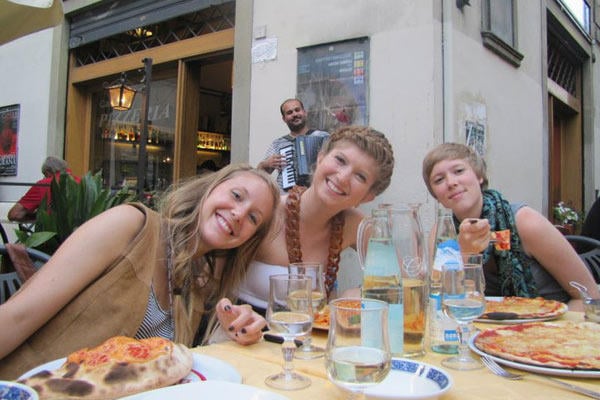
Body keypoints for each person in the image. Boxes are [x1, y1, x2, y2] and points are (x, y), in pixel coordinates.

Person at [0, 164, 280, 379]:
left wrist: (228, 332)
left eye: (253, 217)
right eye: (236, 195)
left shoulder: (198, 279)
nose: (239, 214)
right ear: (210, 188)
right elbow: (18, 316)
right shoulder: (130, 225)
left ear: (249, 239)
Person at [422, 143, 599, 311]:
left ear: (479, 176)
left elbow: (589, 297)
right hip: (486, 332)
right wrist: (464, 253)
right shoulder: (442, 235)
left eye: (459, 171)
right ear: (436, 196)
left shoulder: (525, 222)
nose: (451, 182)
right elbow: (441, 301)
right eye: (439, 180)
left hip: (551, 329)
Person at [239, 125, 395, 312]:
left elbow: (397, 280)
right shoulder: (268, 210)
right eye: (340, 160)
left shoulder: (355, 225)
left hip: (308, 335)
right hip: (236, 332)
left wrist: (359, 292)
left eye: (360, 176)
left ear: (367, 197)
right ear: (320, 158)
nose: (343, 177)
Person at [257, 98, 329, 192]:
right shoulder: (278, 143)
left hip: (316, 194)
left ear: (304, 112)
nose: (295, 114)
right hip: (287, 197)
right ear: (284, 119)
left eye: (297, 110)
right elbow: (259, 175)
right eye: (289, 112)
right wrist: (265, 164)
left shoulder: (323, 137)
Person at [7, 156, 80, 222]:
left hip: (54, 233)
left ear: (48, 172)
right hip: (82, 232)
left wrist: (40, 216)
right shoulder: (81, 182)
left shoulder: (44, 184)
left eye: (45, 175)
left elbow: (14, 214)